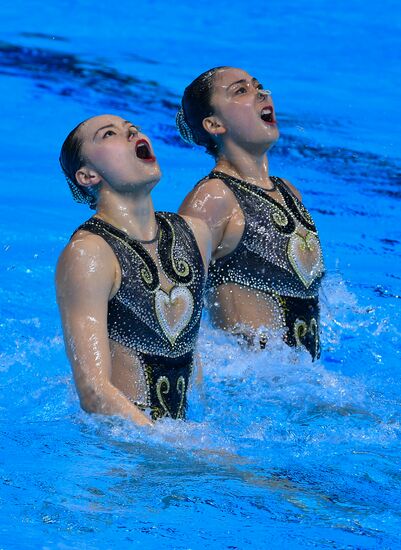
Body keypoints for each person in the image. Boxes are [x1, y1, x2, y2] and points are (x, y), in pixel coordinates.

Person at [56, 114, 211, 426]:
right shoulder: (90, 253)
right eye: (110, 134)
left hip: (176, 442)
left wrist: (203, 428)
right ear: (87, 176)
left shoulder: (194, 234)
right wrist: (179, 451)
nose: (131, 133)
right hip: (125, 454)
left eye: (133, 129)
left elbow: (191, 357)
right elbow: (93, 393)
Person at [177, 67, 324, 360]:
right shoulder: (214, 198)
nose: (260, 93)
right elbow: (175, 293)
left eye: (259, 86)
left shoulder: (288, 193)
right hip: (250, 384)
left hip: (299, 381)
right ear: (214, 124)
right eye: (240, 90)